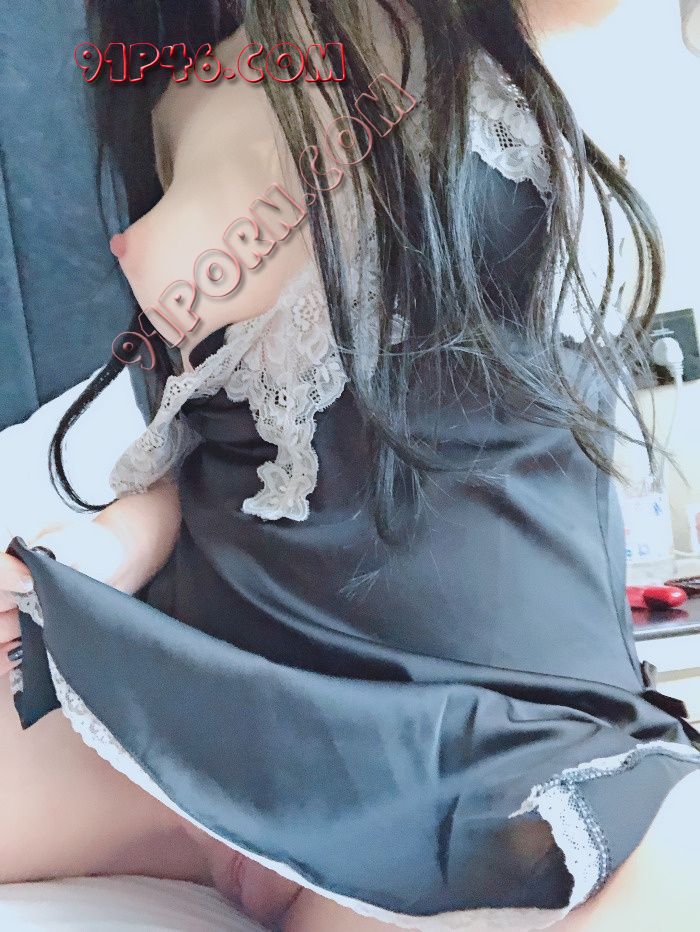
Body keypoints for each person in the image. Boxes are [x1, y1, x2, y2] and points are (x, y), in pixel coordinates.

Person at [2, 1, 698, 930]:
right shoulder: (173, 91)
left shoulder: (503, 24)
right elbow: (208, 435)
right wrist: (98, 552)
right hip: (203, 702)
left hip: (497, 751)